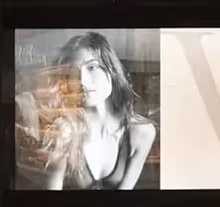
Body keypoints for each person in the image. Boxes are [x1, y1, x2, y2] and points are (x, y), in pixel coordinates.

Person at [39, 31, 156, 191]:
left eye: (92, 67)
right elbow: (50, 199)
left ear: (111, 70)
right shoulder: (65, 132)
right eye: (73, 73)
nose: (83, 81)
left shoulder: (142, 133)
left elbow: (124, 202)